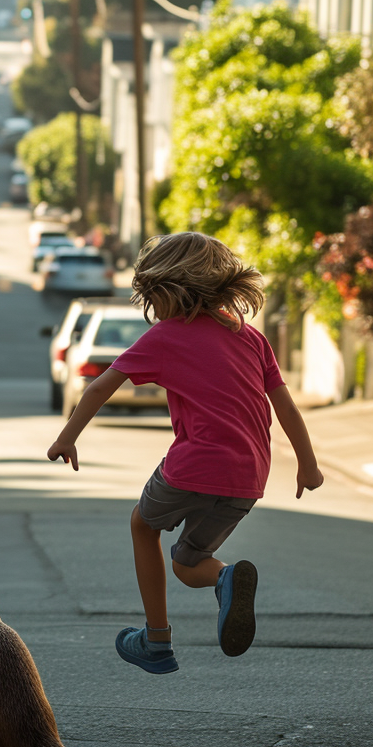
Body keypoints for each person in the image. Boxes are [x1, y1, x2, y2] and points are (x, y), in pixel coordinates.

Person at [47, 231, 323, 675]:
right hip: (249, 477)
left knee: (142, 524)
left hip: (193, 464)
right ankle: (224, 576)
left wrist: (67, 437)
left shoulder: (166, 336)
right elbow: (285, 406)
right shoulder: (251, 338)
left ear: (164, 289)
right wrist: (308, 466)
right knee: (188, 562)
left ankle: (156, 641)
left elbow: (100, 386)